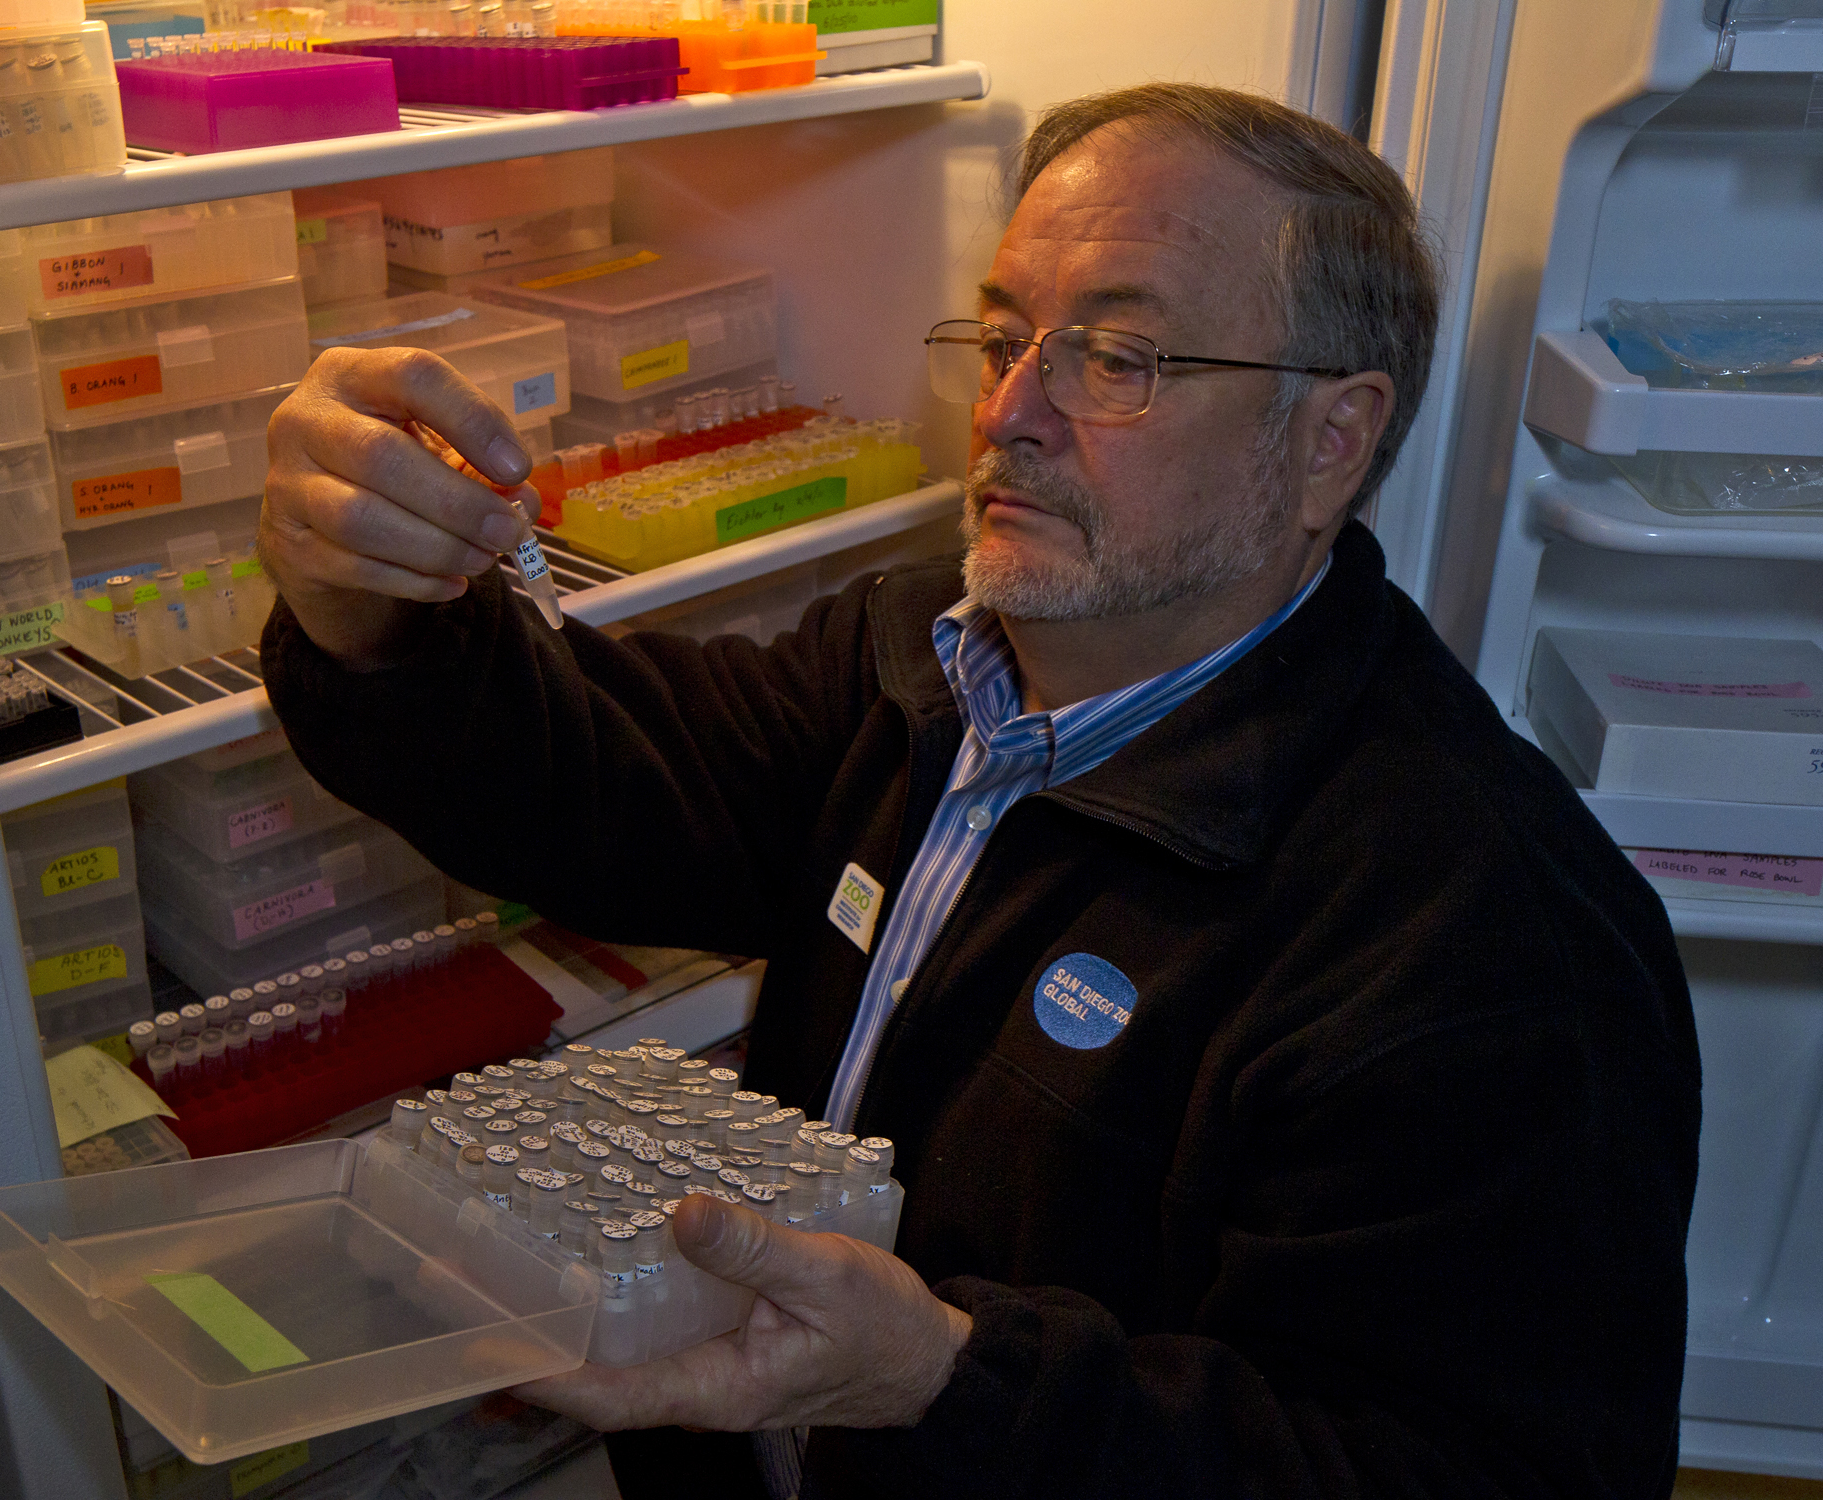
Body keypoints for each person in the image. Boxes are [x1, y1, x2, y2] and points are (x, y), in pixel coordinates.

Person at [256, 83, 1699, 1499]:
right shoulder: (924, 666)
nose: (1008, 413)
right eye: (1005, 338)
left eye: (1120, 357)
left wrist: (945, 1383)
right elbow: (588, 787)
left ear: (1330, 440)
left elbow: (1438, 1464)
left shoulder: (1486, 940)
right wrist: (363, 608)